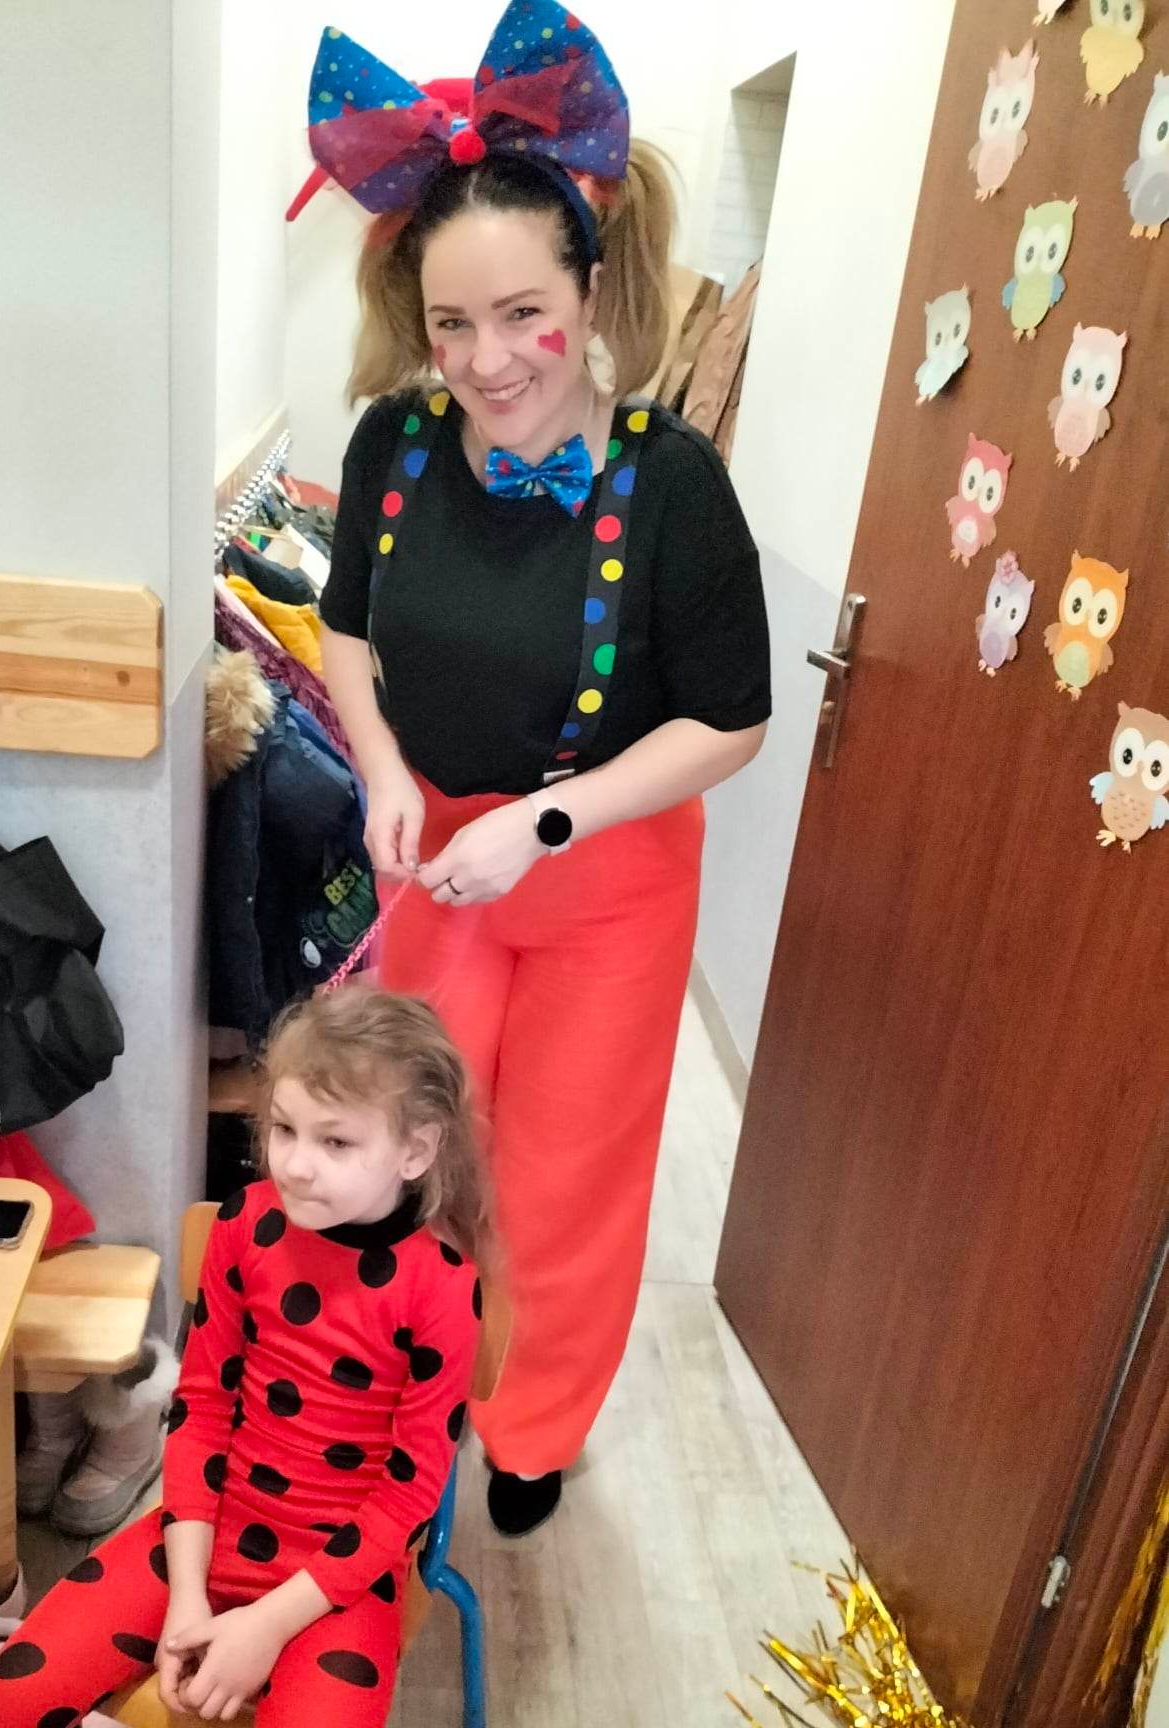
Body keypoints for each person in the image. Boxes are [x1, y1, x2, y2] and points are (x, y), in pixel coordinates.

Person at [307, 0, 772, 1537]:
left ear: (589, 284)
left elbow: (733, 721)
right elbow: (343, 630)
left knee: (566, 1178)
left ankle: (529, 1428)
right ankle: (418, 1381)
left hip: (606, 882)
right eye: (452, 323)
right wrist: (382, 767)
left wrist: (549, 821)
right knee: (423, 1151)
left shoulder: (672, 484)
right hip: (435, 862)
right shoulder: (394, 449)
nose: (487, 359)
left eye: (522, 313)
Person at [0, 984, 488, 1728]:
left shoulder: (439, 1286)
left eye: (336, 1141)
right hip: (207, 1535)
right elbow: (199, 1412)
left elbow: (407, 1498)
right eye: (283, 1128)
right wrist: (194, 1599)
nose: (295, 1162)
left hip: (341, 1581)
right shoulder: (247, 1226)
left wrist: (265, 1626)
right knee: (0, 1707)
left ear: (416, 1150)